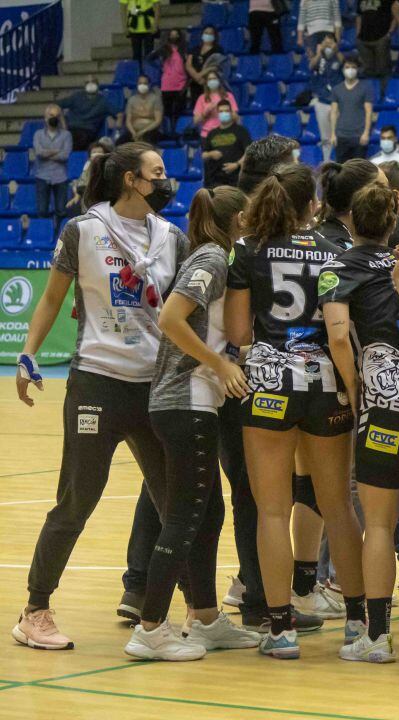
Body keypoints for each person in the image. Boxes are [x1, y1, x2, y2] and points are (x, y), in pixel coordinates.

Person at [12, 142, 185, 651]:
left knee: (172, 501)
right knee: (77, 500)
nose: (166, 179)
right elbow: (51, 298)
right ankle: (35, 610)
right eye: (157, 172)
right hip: (97, 381)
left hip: (154, 385)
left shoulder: (171, 236)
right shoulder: (84, 230)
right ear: (132, 179)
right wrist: (28, 353)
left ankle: (169, 614)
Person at [224, 163, 365, 659]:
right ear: (313, 206)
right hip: (326, 385)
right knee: (338, 506)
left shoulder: (246, 250)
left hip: (268, 382)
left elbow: (239, 332)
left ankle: (280, 629)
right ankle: (357, 622)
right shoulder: (336, 250)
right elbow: (343, 328)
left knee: (271, 510)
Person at [124, 186, 262, 660]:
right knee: (184, 518)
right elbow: (170, 318)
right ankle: (150, 627)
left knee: (208, 514)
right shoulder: (211, 260)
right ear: (240, 218)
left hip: (189, 402)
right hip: (185, 400)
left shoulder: (215, 257)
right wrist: (220, 365)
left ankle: (205, 617)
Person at [319, 182, 399, 663]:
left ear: (350, 221)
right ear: (392, 222)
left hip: (386, 402)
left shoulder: (338, 267)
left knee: (377, 523)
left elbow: (338, 338)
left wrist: (355, 392)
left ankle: (377, 636)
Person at [315, 158, 384, 249]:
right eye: (384, 190)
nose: (391, 197)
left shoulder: (363, 238)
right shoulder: (336, 245)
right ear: (363, 197)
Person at [33, 105, 72, 231]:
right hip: (42, 175)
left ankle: (60, 236)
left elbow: (65, 155)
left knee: (61, 210)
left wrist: (47, 153)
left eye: (56, 116)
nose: (53, 118)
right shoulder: (38, 134)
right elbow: (39, 153)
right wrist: (56, 151)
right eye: (51, 115)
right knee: (42, 210)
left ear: (60, 118)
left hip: (61, 177)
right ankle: (44, 233)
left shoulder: (66, 135)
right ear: (45, 118)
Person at [309, 35, 345, 163]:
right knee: (325, 136)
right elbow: (311, 66)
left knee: (339, 134)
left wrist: (336, 50)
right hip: (322, 101)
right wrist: (319, 52)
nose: (328, 45)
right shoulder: (320, 59)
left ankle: (341, 160)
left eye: (330, 43)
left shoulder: (339, 57)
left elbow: (345, 64)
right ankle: (327, 160)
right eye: (325, 43)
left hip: (338, 102)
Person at [330, 57, 375, 161]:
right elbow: (333, 112)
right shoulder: (336, 89)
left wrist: (366, 133)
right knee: (341, 169)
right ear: (342, 69)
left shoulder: (366, 88)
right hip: (341, 135)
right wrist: (333, 134)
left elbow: (369, 112)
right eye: (347, 67)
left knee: (358, 170)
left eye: (353, 67)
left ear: (357, 69)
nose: (350, 69)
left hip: (359, 135)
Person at [58, 77, 120, 151]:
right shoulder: (76, 96)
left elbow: (119, 113)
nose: (90, 84)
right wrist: (63, 124)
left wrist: (118, 124)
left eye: (93, 82)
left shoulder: (103, 102)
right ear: (84, 85)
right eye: (87, 82)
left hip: (88, 132)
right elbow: (56, 106)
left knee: (77, 140)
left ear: (97, 85)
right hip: (71, 129)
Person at [202, 101, 252, 189]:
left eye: (226, 111)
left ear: (231, 112)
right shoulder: (212, 133)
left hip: (236, 180)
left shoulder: (241, 131)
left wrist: (236, 164)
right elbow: (203, 155)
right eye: (221, 111)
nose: (224, 113)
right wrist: (211, 154)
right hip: (215, 181)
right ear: (217, 114)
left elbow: (249, 152)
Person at [356, 0, 395, 92]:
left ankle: (385, 95)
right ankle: (371, 97)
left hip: (381, 37)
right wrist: (357, 34)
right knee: (368, 71)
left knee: (383, 70)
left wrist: (390, 33)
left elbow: (395, 14)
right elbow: (359, 16)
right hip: (363, 39)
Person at [185, 26, 228, 102]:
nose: (208, 35)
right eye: (206, 33)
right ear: (202, 35)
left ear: (214, 36)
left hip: (210, 82)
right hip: (195, 84)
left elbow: (216, 66)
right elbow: (188, 65)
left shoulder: (218, 49)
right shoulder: (195, 49)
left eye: (211, 33)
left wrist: (200, 75)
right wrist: (196, 77)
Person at [119, 75, 164, 146]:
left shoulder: (156, 99)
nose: (142, 85)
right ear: (137, 85)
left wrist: (143, 131)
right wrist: (133, 133)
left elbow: (158, 120)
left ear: (149, 85)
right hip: (134, 130)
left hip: (150, 130)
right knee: (120, 142)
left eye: (145, 83)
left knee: (145, 143)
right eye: (140, 83)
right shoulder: (131, 100)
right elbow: (128, 121)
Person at [193, 69, 238, 138]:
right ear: (206, 82)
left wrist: (226, 113)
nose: (212, 81)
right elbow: (195, 121)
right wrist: (205, 113)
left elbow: (236, 117)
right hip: (207, 135)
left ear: (219, 80)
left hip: (226, 133)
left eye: (214, 78)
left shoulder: (228, 96)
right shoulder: (201, 98)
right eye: (210, 79)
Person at [67, 140, 108, 214]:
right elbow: (81, 185)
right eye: (94, 152)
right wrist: (76, 196)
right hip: (88, 200)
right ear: (90, 156)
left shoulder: (108, 167)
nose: (97, 155)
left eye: (100, 152)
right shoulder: (87, 166)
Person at [120, 0, 160, 70]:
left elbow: (157, 6)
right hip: (134, 26)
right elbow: (123, 8)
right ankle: (137, 75)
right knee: (136, 55)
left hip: (148, 26)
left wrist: (155, 25)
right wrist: (125, 26)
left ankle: (149, 74)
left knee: (149, 55)